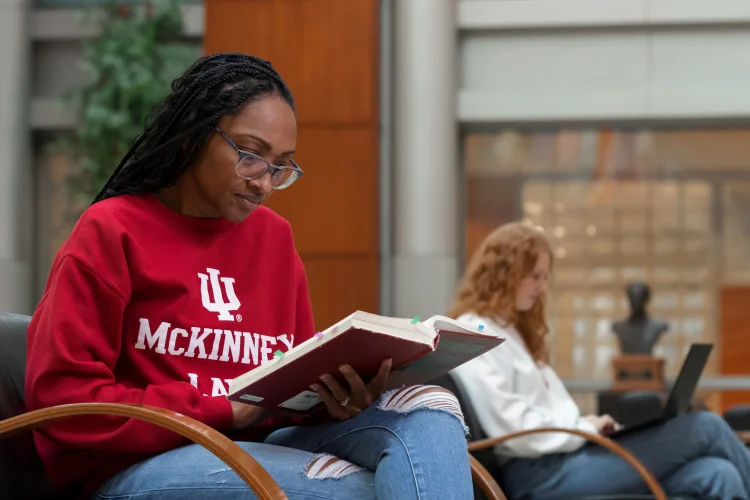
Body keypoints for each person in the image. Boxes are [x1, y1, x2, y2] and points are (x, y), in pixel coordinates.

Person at [24, 52, 472, 500]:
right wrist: (224, 410)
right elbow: (64, 402)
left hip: (256, 447)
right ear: (191, 139)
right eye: (251, 156)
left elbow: (288, 398)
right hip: (134, 468)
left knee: (430, 407)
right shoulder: (111, 230)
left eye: (281, 166)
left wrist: (333, 402)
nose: (264, 183)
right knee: (353, 489)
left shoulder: (274, 239)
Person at [448, 222, 750, 500]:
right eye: (535, 276)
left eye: (545, 277)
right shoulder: (476, 332)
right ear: (504, 272)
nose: (542, 288)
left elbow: (544, 414)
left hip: (568, 458)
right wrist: (583, 428)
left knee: (718, 474)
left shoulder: (511, 332)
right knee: (706, 427)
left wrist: (587, 425)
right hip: (543, 474)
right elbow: (511, 424)